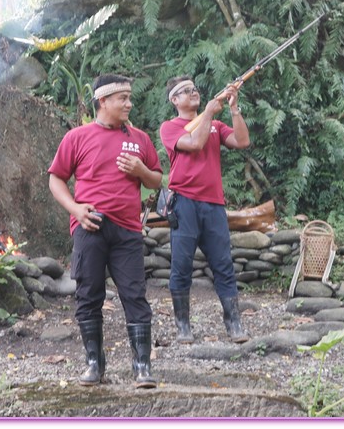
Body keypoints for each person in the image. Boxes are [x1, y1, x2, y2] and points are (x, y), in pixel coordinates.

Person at [48, 74, 163, 389]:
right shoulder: (77, 137)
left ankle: (142, 367)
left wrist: (141, 171)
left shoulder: (139, 138)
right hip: (90, 225)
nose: (129, 103)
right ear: (103, 101)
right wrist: (74, 209)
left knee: (135, 296)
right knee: (88, 295)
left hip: (127, 229)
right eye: (122, 98)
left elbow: (156, 179)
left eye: (129, 97)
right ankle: (94, 364)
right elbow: (56, 179)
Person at [159, 76, 251, 344]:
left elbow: (241, 141)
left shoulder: (215, 125)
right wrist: (209, 113)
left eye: (194, 88)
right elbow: (195, 144)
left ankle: (233, 322)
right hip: (184, 203)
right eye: (185, 91)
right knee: (181, 265)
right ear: (174, 100)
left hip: (213, 204)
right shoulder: (170, 127)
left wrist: (234, 108)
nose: (193, 92)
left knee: (223, 263)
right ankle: (183, 326)